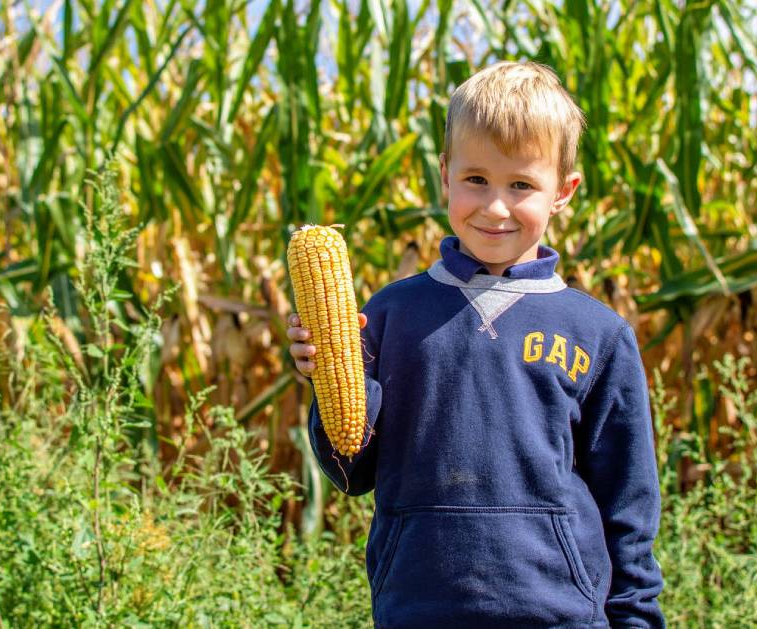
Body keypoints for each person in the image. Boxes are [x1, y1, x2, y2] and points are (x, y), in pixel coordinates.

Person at [285, 61, 665, 628]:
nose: (495, 207)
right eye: (476, 180)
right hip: (420, 607)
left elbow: (628, 502)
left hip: (560, 613)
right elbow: (351, 472)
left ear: (563, 191)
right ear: (445, 174)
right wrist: (329, 380)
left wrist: (636, 619)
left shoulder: (598, 334)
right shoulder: (390, 314)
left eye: (521, 185)